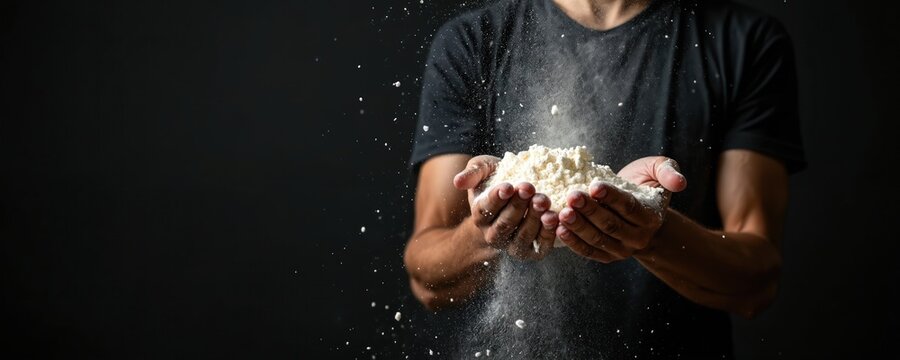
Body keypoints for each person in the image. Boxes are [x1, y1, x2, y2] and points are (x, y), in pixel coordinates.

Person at [404, 0, 805, 358]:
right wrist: (486, 231)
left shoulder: (743, 41)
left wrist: (652, 234)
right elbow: (427, 278)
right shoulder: (474, 41)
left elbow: (757, 283)